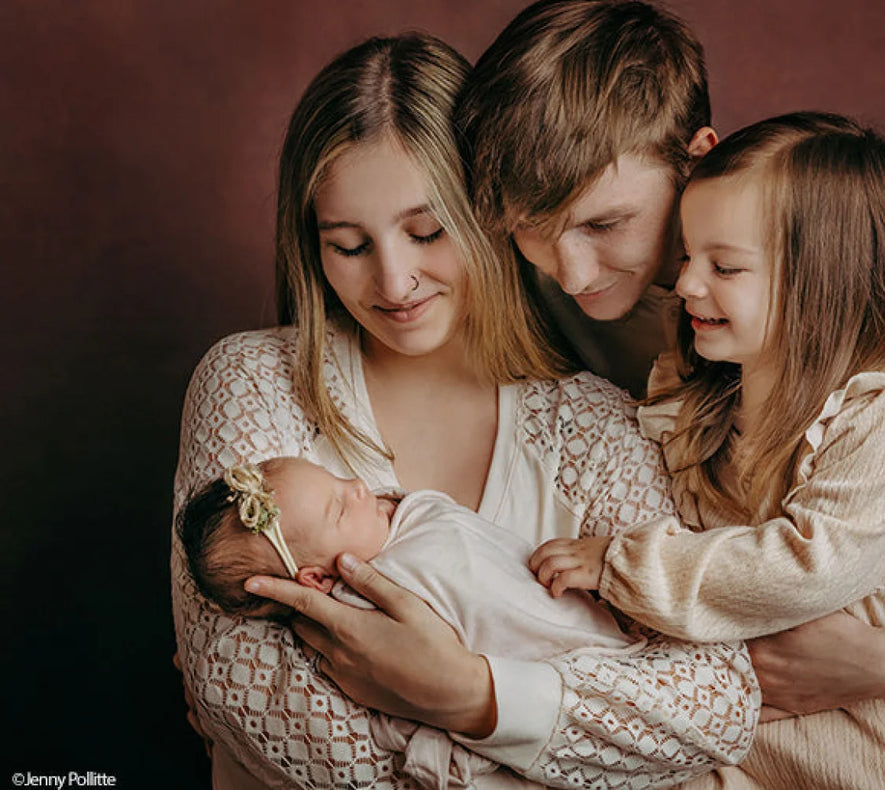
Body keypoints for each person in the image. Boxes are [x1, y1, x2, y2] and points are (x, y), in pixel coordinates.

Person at [172, 33, 759, 790]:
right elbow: (248, 696)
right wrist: (567, 747)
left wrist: (468, 695)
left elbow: (716, 705)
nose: (395, 282)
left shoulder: (595, 425)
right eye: (348, 245)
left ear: (495, 214)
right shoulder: (253, 380)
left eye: (428, 232)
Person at [456, 0, 885, 720]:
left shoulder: (859, 264)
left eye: (606, 224)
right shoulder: (520, 283)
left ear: (697, 155)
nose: (573, 272)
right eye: (531, 228)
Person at [531, 111, 885, 787]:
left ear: (820, 284)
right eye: (688, 257)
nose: (685, 284)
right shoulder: (699, 406)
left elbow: (811, 566)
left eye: (724, 266)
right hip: (766, 734)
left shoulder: (880, 418)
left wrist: (622, 565)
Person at [178, 457, 637, 788]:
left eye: (338, 479)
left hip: (605, 655)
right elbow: (398, 705)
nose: (359, 486)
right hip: (559, 688)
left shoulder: (410, 515)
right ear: (315, 579)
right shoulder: (364, 615)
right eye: (340, 507)